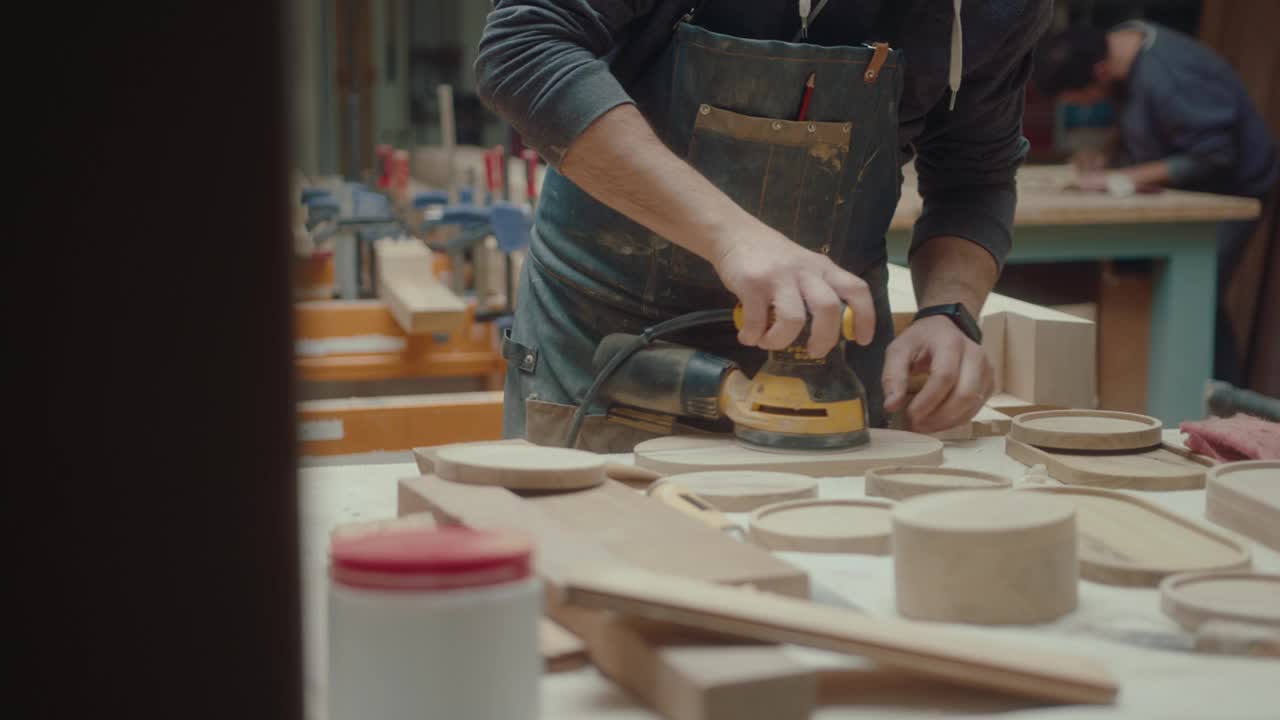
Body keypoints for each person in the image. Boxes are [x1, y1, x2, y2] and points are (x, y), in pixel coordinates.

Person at [476, 1, 1052, 451]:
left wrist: (949, 312)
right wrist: (732, 236)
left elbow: (975, 174)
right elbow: (525, 46)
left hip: (829, 359)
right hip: (607, 342)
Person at [1034, 22, 1279, 387]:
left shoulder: (1170, 78)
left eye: (1078, 98)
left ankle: (1219, 403)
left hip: (1228, 193)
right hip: (1185, 188)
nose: (1085, 105)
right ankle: (1148, 389)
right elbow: (1130, 110)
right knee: (1155, 289)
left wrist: (1122, 178)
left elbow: (1214, 155)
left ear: (1099, 73)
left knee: (1195, 297)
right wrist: (1106, 155)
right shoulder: (1118, 50)